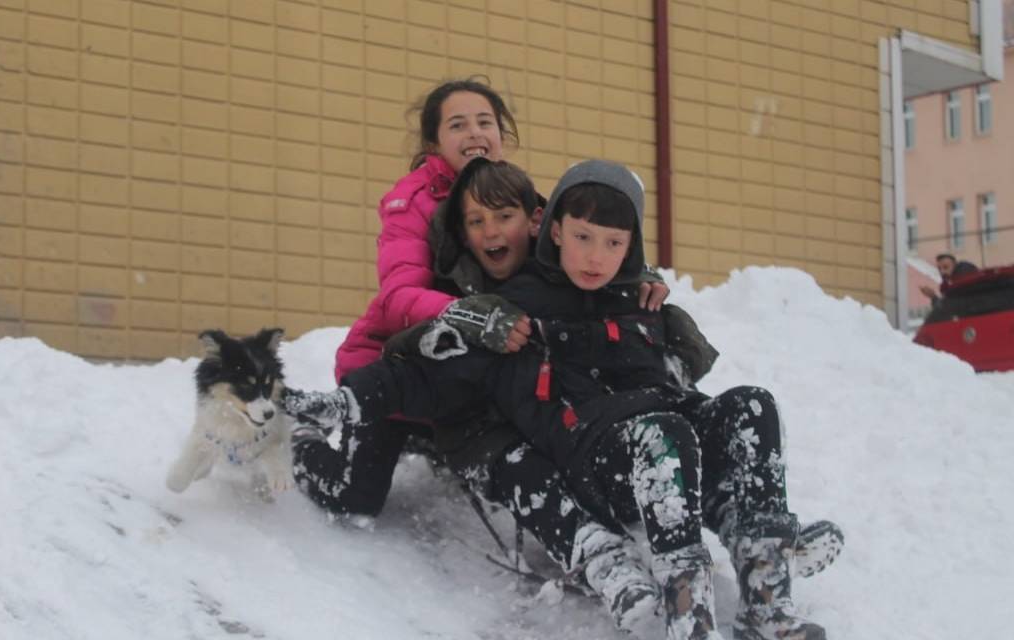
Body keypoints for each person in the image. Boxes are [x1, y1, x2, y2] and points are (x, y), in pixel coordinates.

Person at [285, 158, 840, 640]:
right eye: (582, 238)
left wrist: (672, 329)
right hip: (595, 453)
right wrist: (348, 400)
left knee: (752, 406)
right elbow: (434, 373)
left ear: (631, 246)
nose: (596, 256)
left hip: (662, 434)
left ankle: (766, 585)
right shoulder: (517, 307)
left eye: (613, 244)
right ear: (553, 231)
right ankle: (687, 613)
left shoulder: (636, 300)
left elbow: (679, 376)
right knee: (664, 434)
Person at [290, 77, 671, 632]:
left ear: (503, 134)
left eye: (485, 121)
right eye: (458, 123)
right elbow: (397, 298)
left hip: (480, 365)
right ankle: (302, 440)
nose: (474, 132)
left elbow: (585, 239)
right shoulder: (412, 202)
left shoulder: (516, 194)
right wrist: (466, 315)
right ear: (432, 142)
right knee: (355, 498)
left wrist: (640, 275)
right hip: (398, 363)